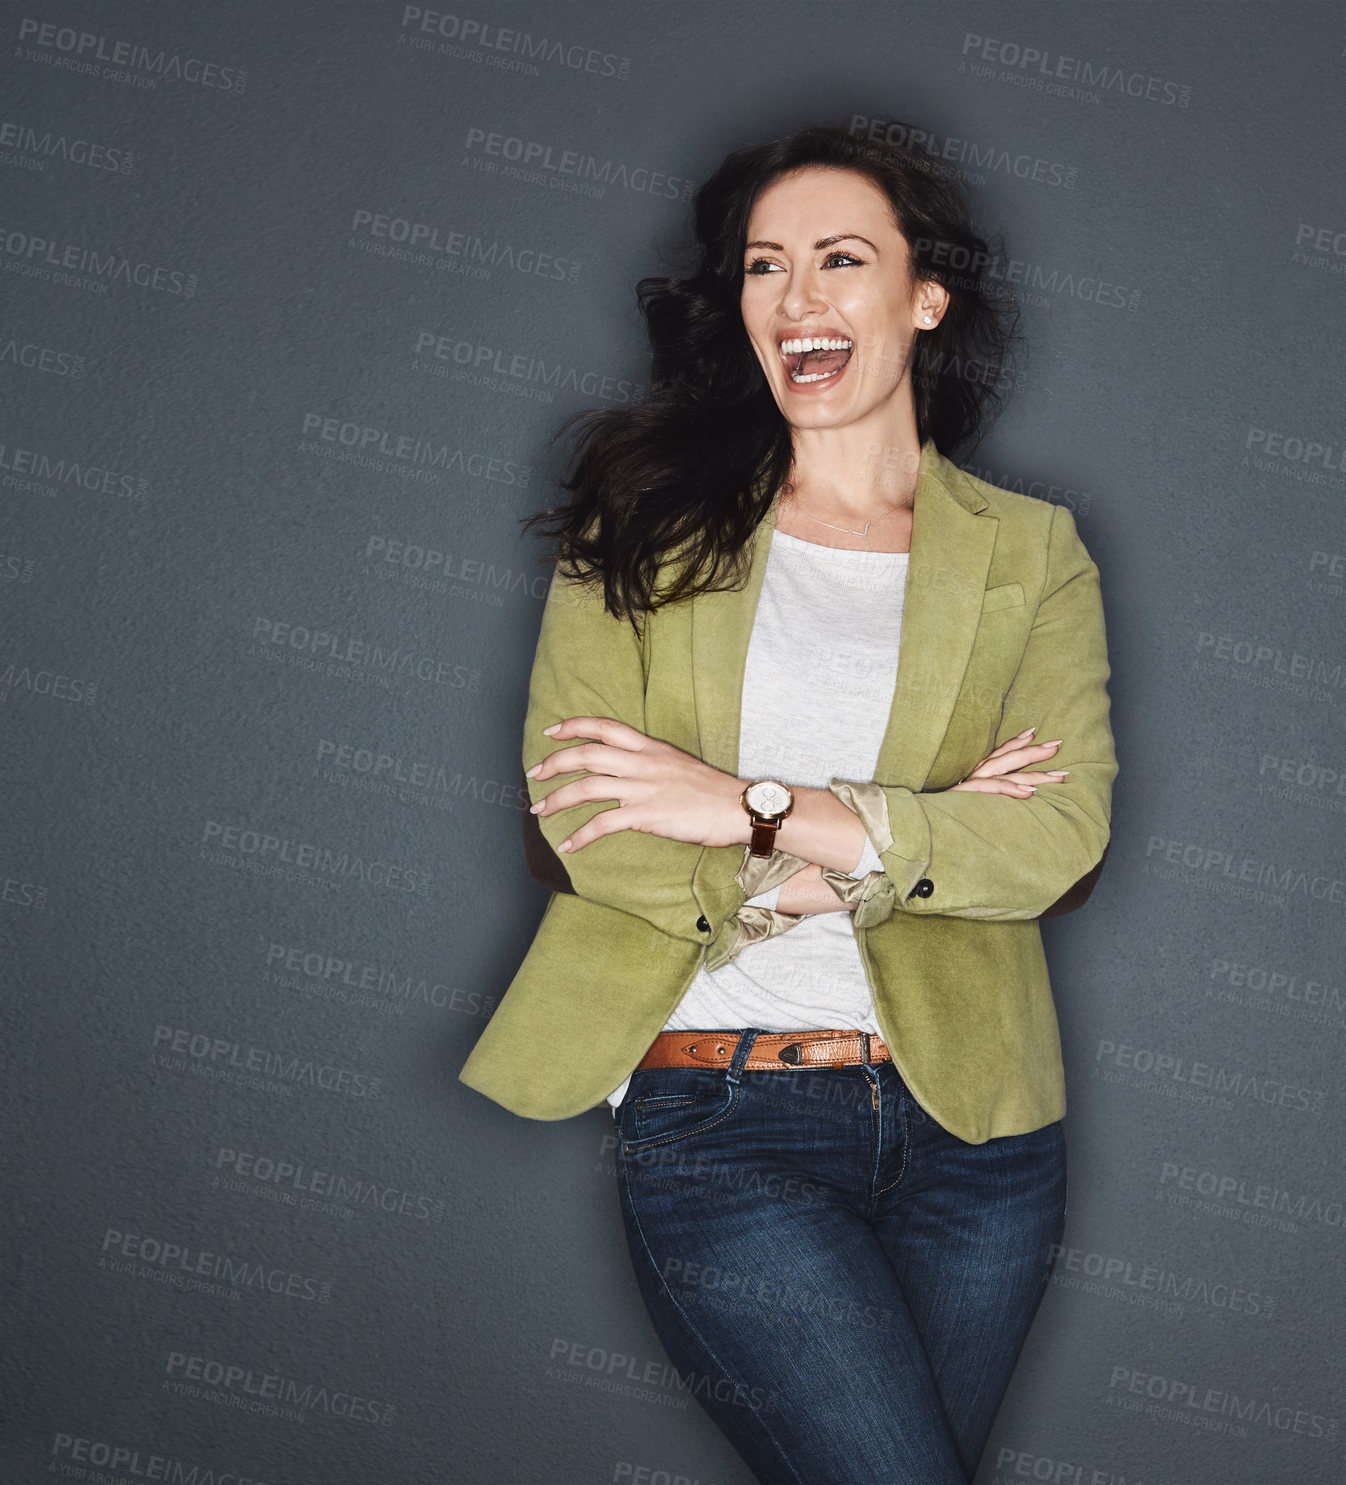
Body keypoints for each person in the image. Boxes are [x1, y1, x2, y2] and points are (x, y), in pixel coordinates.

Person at [459, 120, 1117, 1484]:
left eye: (838, 258)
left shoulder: (1031, 554)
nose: (796, 297)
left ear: (921, 299)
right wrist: (911, 830)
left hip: (980, 1140)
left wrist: (749, 806)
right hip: (721, 1119)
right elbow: (581, 821)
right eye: (764, 266)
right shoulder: (637, 522)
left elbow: (1057, 841)